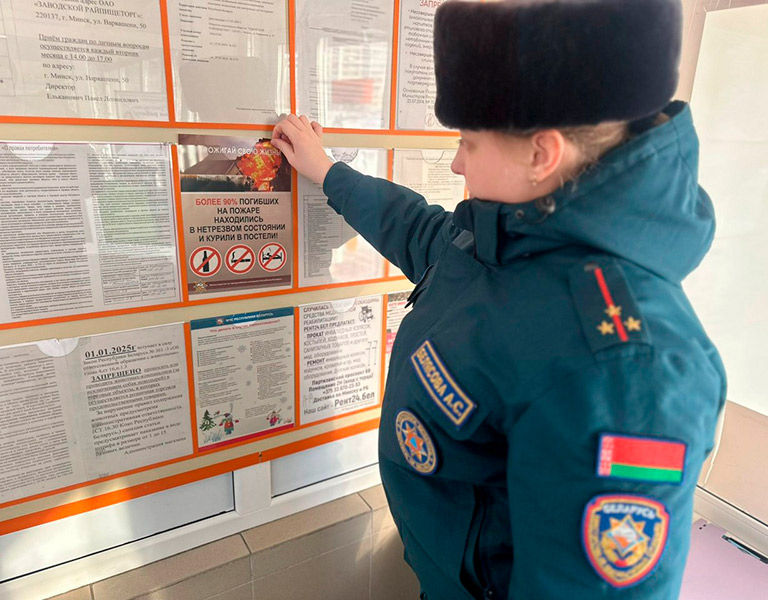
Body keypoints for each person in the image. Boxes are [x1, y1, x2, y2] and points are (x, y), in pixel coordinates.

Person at [270, 0, 726, 597]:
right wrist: (328, 172)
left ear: (542, 154)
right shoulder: (514, 232)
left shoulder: (623, 371)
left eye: (468, 142)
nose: (456, 162)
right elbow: (424, 234)